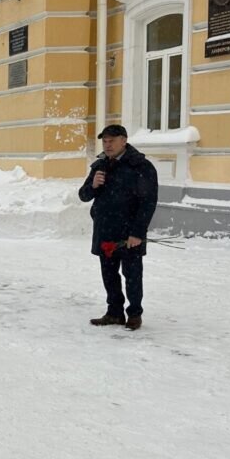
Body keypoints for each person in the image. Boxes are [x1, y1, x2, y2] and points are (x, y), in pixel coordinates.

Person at [78, 124, 159, 331]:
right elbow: (84, 195)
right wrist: (93, 185)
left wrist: (138, 233)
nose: (107, 145)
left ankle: (134, 314)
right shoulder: (100, 166)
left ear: (124, 140)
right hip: (105, 230)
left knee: (132, 275)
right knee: (109, 274)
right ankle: (114, 312)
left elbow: (148, 202)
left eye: (112, 141)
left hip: (128, 232)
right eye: (104, 141)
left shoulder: (140, 166)